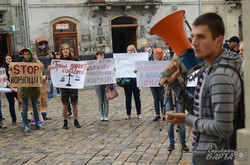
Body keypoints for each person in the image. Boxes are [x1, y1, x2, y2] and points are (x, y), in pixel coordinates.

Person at [165, 13, 242, 164]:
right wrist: (175, 84)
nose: (193, 43)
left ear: (219, 40)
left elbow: (223, 128)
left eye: (201, 37)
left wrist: (186, 119)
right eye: (193, 36)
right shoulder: (209, 69)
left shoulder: (220, 75)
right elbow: (198, 109)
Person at [49, 44, 81, 129]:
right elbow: (55, 71)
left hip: (73, 85)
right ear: (61, 51)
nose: (66, 50)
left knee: (74, 104)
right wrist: (51, 69)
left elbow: (81, 69)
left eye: (67, 49)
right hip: (63, 86)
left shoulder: (74, 59)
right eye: (64, 49)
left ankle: (75, 120)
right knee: (65, 104)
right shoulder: (58, 62)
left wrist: (85, 68)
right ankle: (65, 121)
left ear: (69, 50)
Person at [19, 48, 44, 132]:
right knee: (25, 108)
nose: (26, 56)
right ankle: (26, 125)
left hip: (34, 89)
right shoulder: (21, 64)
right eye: (25, 54)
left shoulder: (36, 63)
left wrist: (41, 69)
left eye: (27, 54)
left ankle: (37, 123)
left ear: (30, 54)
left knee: (35, 107)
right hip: (24, 89)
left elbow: (40, 74)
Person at [124, 45, 142, 119]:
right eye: (129, 50)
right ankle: (128, 114)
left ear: (134, 51)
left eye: (132, 50)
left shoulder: (138, 59)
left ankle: (139, 113)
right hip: (127, 81)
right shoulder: (124, 59)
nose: (130, 51)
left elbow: (142, 67)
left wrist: (138, 70)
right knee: (128, 98)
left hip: (136, 80)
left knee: (137, 98)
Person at [150, 48, 165, 121]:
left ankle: (164, 113)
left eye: (155, 54)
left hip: (161, 83)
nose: (154, 55)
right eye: (154, 53)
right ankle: (157, 114)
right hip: (152, 83)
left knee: (161, 98)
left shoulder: (164, 63)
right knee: (155, 98)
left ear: (160, 55)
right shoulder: (150, 63)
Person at [94, 51, 109, 121]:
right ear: (97, 56)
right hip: (97, 83)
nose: (102, 57)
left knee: (106, 99)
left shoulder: (107, 63)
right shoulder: (93, 64)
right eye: (100, 55)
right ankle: (101, 114)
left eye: (103, 55)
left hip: (105, 83)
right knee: (100, 100)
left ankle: (106, 114)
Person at [3, 54, 18, 125]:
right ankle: (13, 119)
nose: (8, 60)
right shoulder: (3, 69)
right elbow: (5, 80)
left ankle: (24, 117)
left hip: (16, 87)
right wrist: (10, 87)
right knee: (11, 104)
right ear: (5, 60)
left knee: (21, 103)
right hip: (8, 89)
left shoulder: (16, 67)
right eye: (7, 59)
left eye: (9, 59)